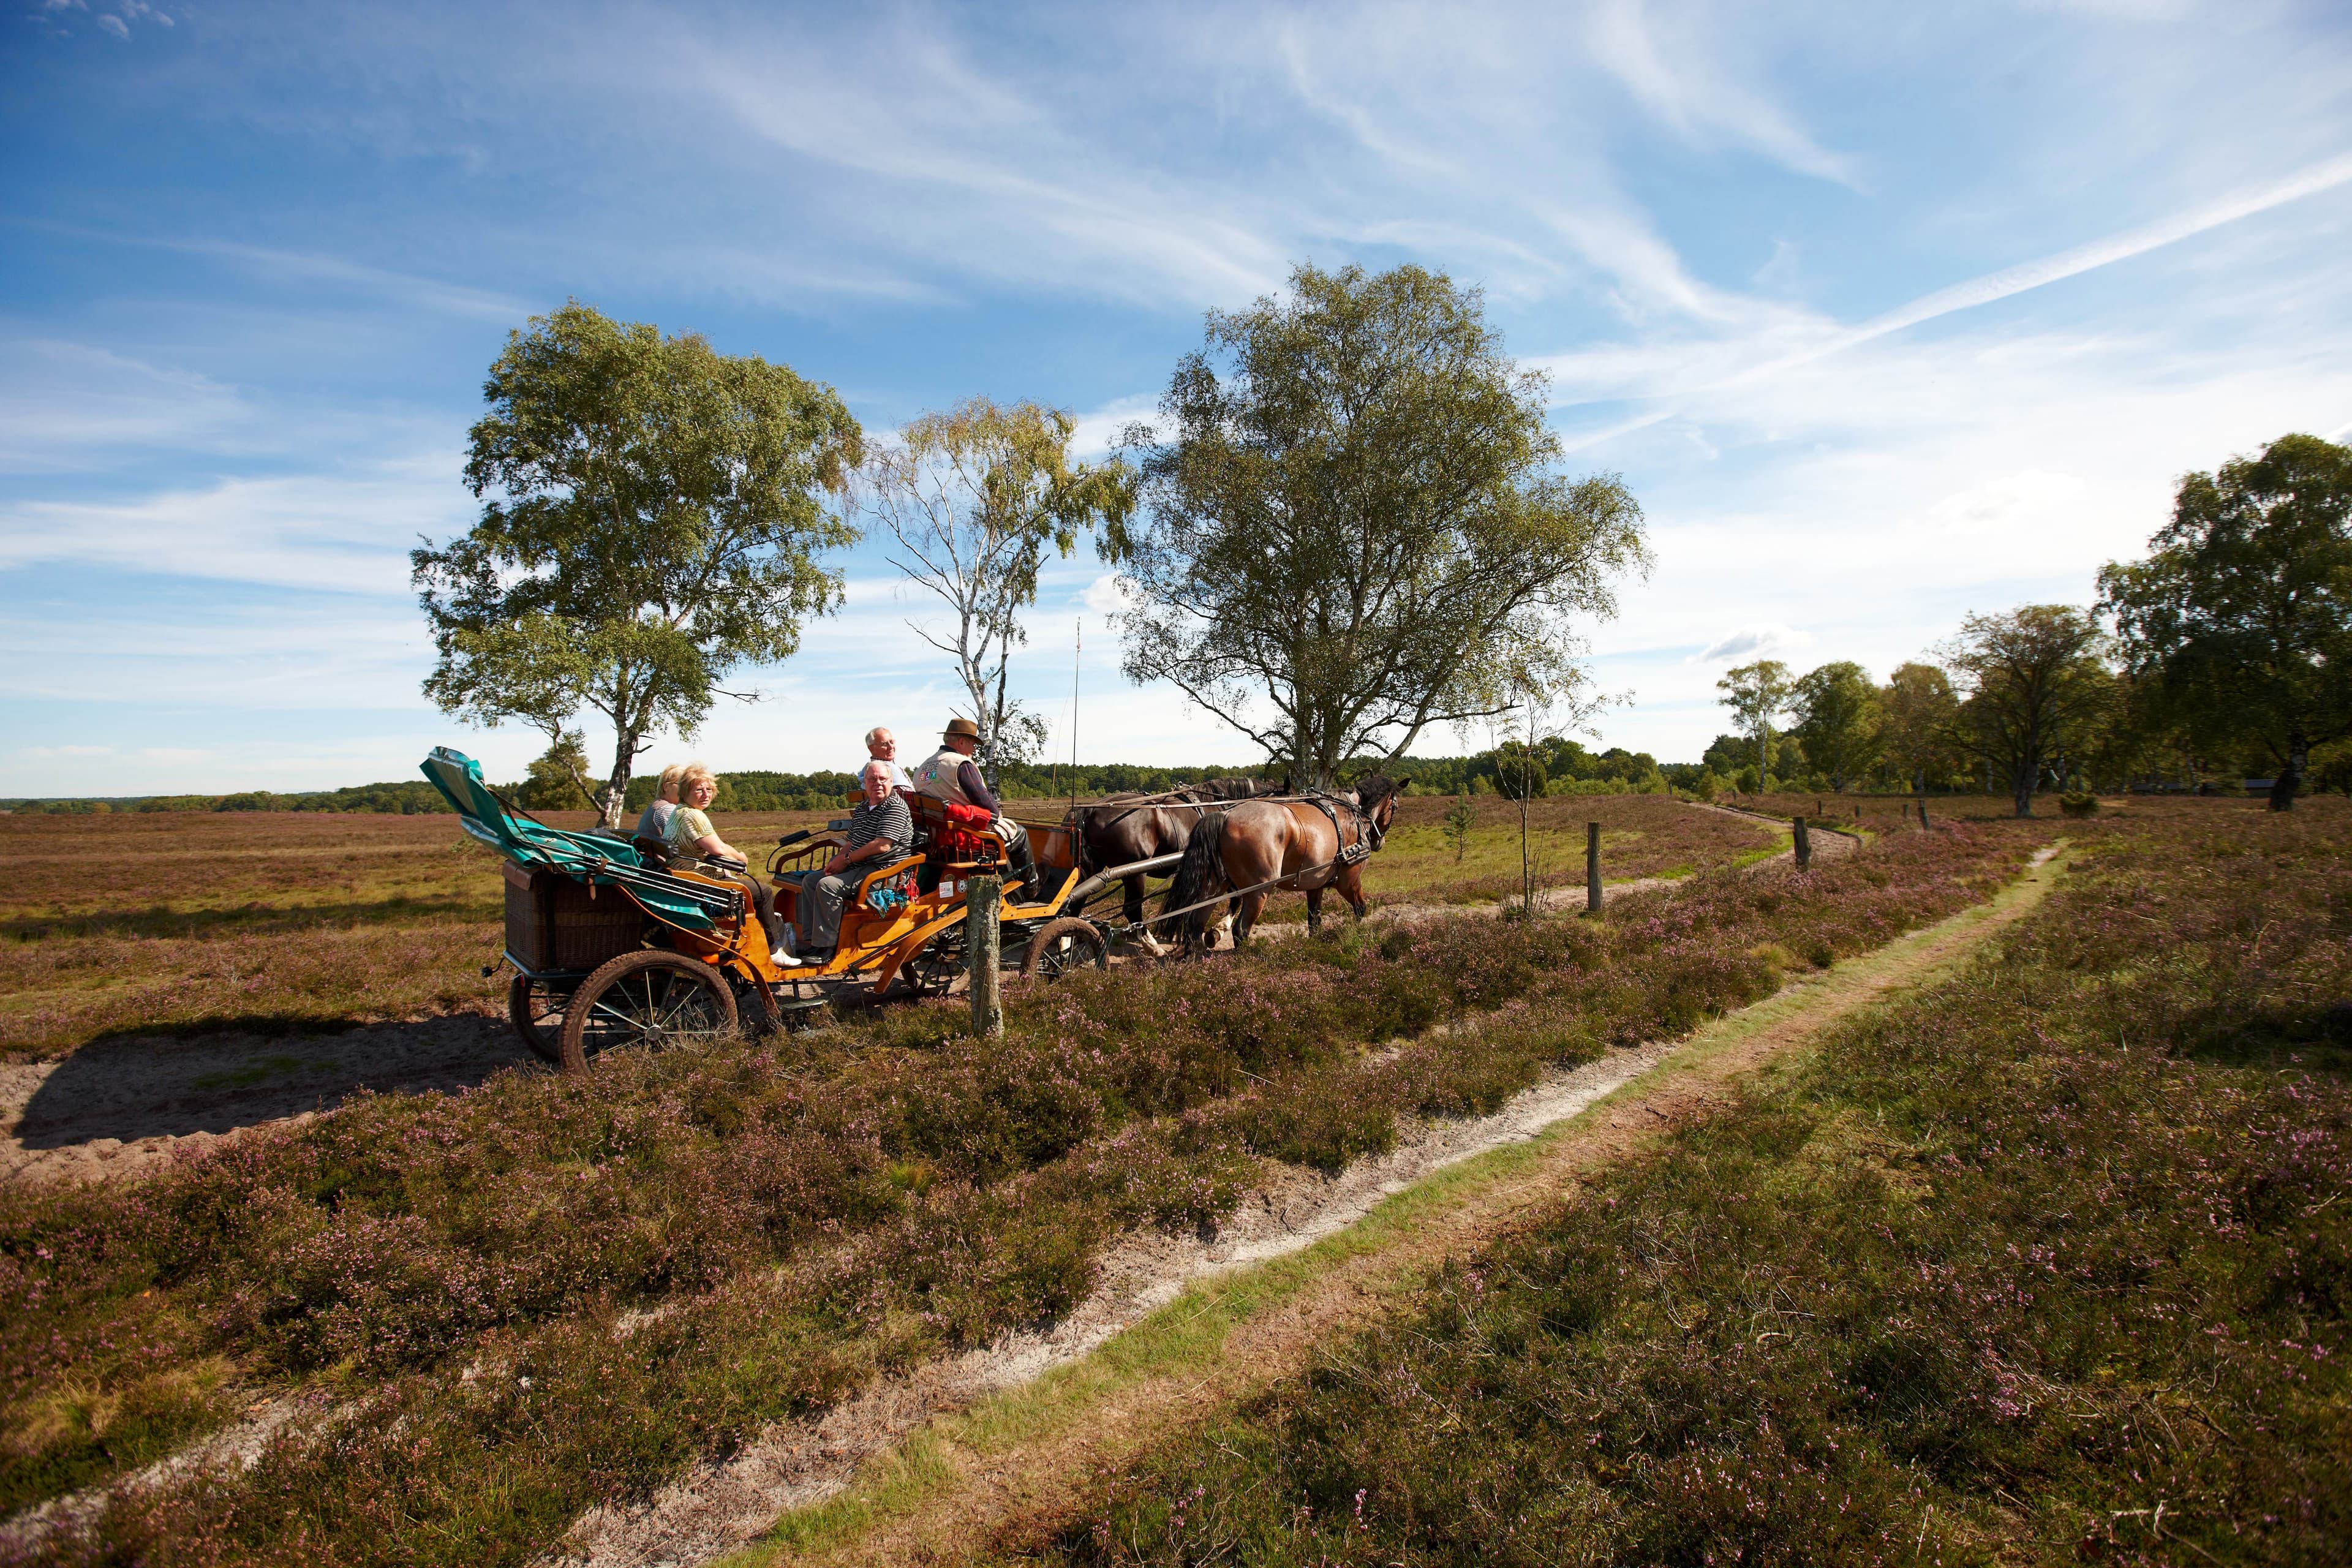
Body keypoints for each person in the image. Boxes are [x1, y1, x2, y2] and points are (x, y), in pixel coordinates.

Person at [664, 764, 791, 967]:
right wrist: (741, 857)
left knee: (747, 886)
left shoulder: (679, 811)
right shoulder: (693, 815)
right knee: (763, 892)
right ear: (686, 791)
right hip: (696, 881)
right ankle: (774, 949)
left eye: (708, 789)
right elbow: (718, 849)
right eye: (698, 789)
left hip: (683, 876)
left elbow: (716, 846)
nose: (705, 794)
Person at [786, 760, 914, 962]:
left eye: (883, 779)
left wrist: (845, 860)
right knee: (810, 881)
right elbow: (850, 841)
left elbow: (882, 845)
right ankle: (813, 942)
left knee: (828, 886)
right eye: (872, 779)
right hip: (859, 865)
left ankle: (828, 947)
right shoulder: (864, 807)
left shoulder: (895, 806)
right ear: (865, 783)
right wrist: (837, 860)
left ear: (891, 781)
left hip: (884, 870)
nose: (878, 783)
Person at [913, 716, 1036, 894]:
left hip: (937, 836)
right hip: (963, 835)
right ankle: (1031, 887)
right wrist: (995, 814)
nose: (973, 750)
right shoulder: (961, 764)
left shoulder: (923, 767)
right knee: (1020, 834)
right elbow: (989, 808)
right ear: (962, 742)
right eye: (972, 744)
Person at [632, 764, 684, 847]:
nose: (687, 789)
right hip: (661, 860)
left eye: (689, 785)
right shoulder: (667, 809)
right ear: (666, 787)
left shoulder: (657, 805)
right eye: (682, 784)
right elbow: (685, 844)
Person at [864, 726, 913, 794]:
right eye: (884, 744)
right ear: (871, 748)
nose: (891, 747)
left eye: (892, 742)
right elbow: (909, 796)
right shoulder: (885, 770)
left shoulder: (867, 771)